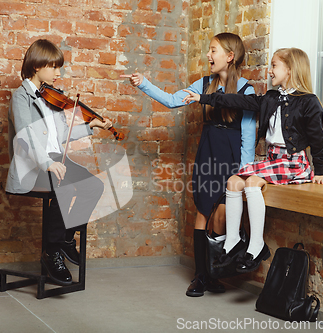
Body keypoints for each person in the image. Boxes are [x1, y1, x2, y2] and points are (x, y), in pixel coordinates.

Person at [121, 32, 256, 297]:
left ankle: (214, 271)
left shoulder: (246, 90)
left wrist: (245, 170)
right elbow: (172, 100)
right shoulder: (204, 83)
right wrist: (144, 83)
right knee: (203, 210)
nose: (208, 55)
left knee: (223, 213)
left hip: (232, 159)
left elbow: (249, 135)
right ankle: (200, 277)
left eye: (213, 50)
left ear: (229, 57)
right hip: (208, 153)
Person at [183, 47, 323, 273]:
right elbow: (239, 101)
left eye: (274, 65)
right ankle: (231, 243)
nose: (269, 71)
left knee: (251, 182)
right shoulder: (271, 97)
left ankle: (256, 245)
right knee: (233, 181)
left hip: (294, 163)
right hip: (273, 161)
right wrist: (204, 98)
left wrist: (320, 170)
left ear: (289, 70)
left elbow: (318, 139)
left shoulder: (309, 102)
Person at [6, 39, 112, 285]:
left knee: (94, 186)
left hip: (55, 160)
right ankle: (52, 252)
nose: (58, 73)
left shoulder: (50, 97)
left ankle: (64, 240)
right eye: (54, 67)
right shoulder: (21, 98)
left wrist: (90, 125)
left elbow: (61, 135)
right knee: (64, 185)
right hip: (33, 164)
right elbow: (24, 137)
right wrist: (47, 163)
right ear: (36, 66)